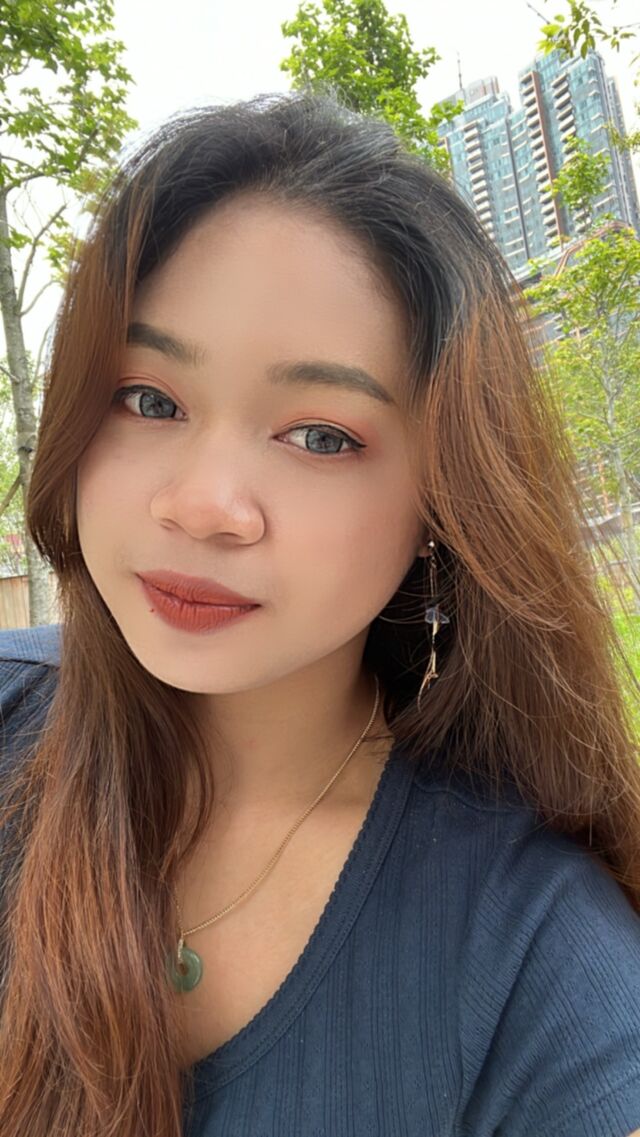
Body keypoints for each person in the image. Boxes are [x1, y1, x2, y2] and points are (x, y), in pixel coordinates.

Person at [0, 89, 639, 1137]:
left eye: (320, 436)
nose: (202, 505)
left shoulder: (537, 956)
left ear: (444, 500)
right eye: (150, 400)